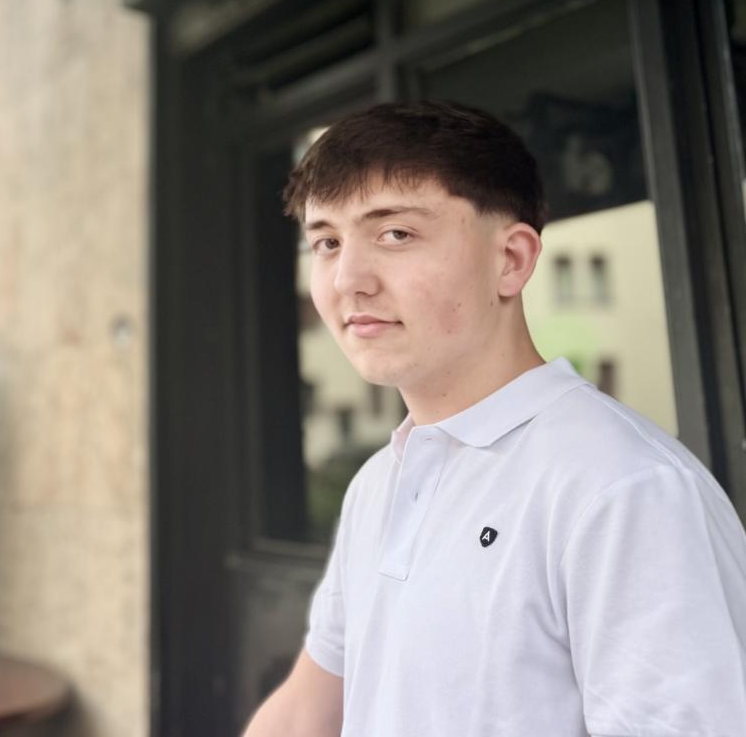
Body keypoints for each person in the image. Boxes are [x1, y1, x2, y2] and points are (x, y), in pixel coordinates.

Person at [243, 100, 746, 737]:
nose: (348, 280)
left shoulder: (626, 489)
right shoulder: (379, 482)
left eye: (395, 234)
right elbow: (304, 712)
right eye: (326, 242)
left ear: (511, 260)